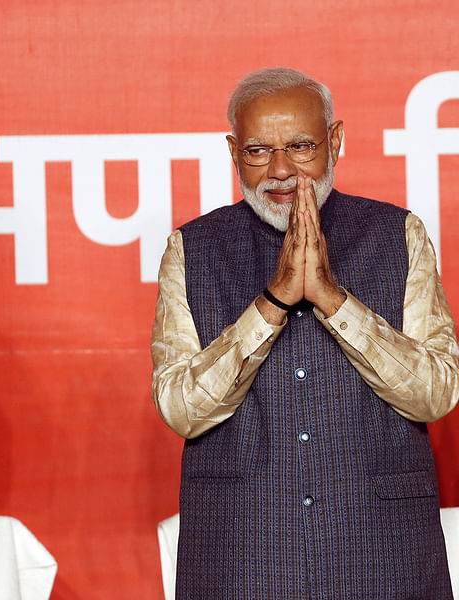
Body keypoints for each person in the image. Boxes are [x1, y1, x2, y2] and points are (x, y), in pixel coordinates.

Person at [152, 67, 459, 599]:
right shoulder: (193, 249)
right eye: (256, 151)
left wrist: (333, 300)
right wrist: (272, 303)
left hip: (381, 555)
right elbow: (180, 407)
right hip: (240, 555)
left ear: (335, 141)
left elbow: (437, 393)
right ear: (232, 152)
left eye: (300, 146)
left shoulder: (397, 234)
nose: (280, 171)